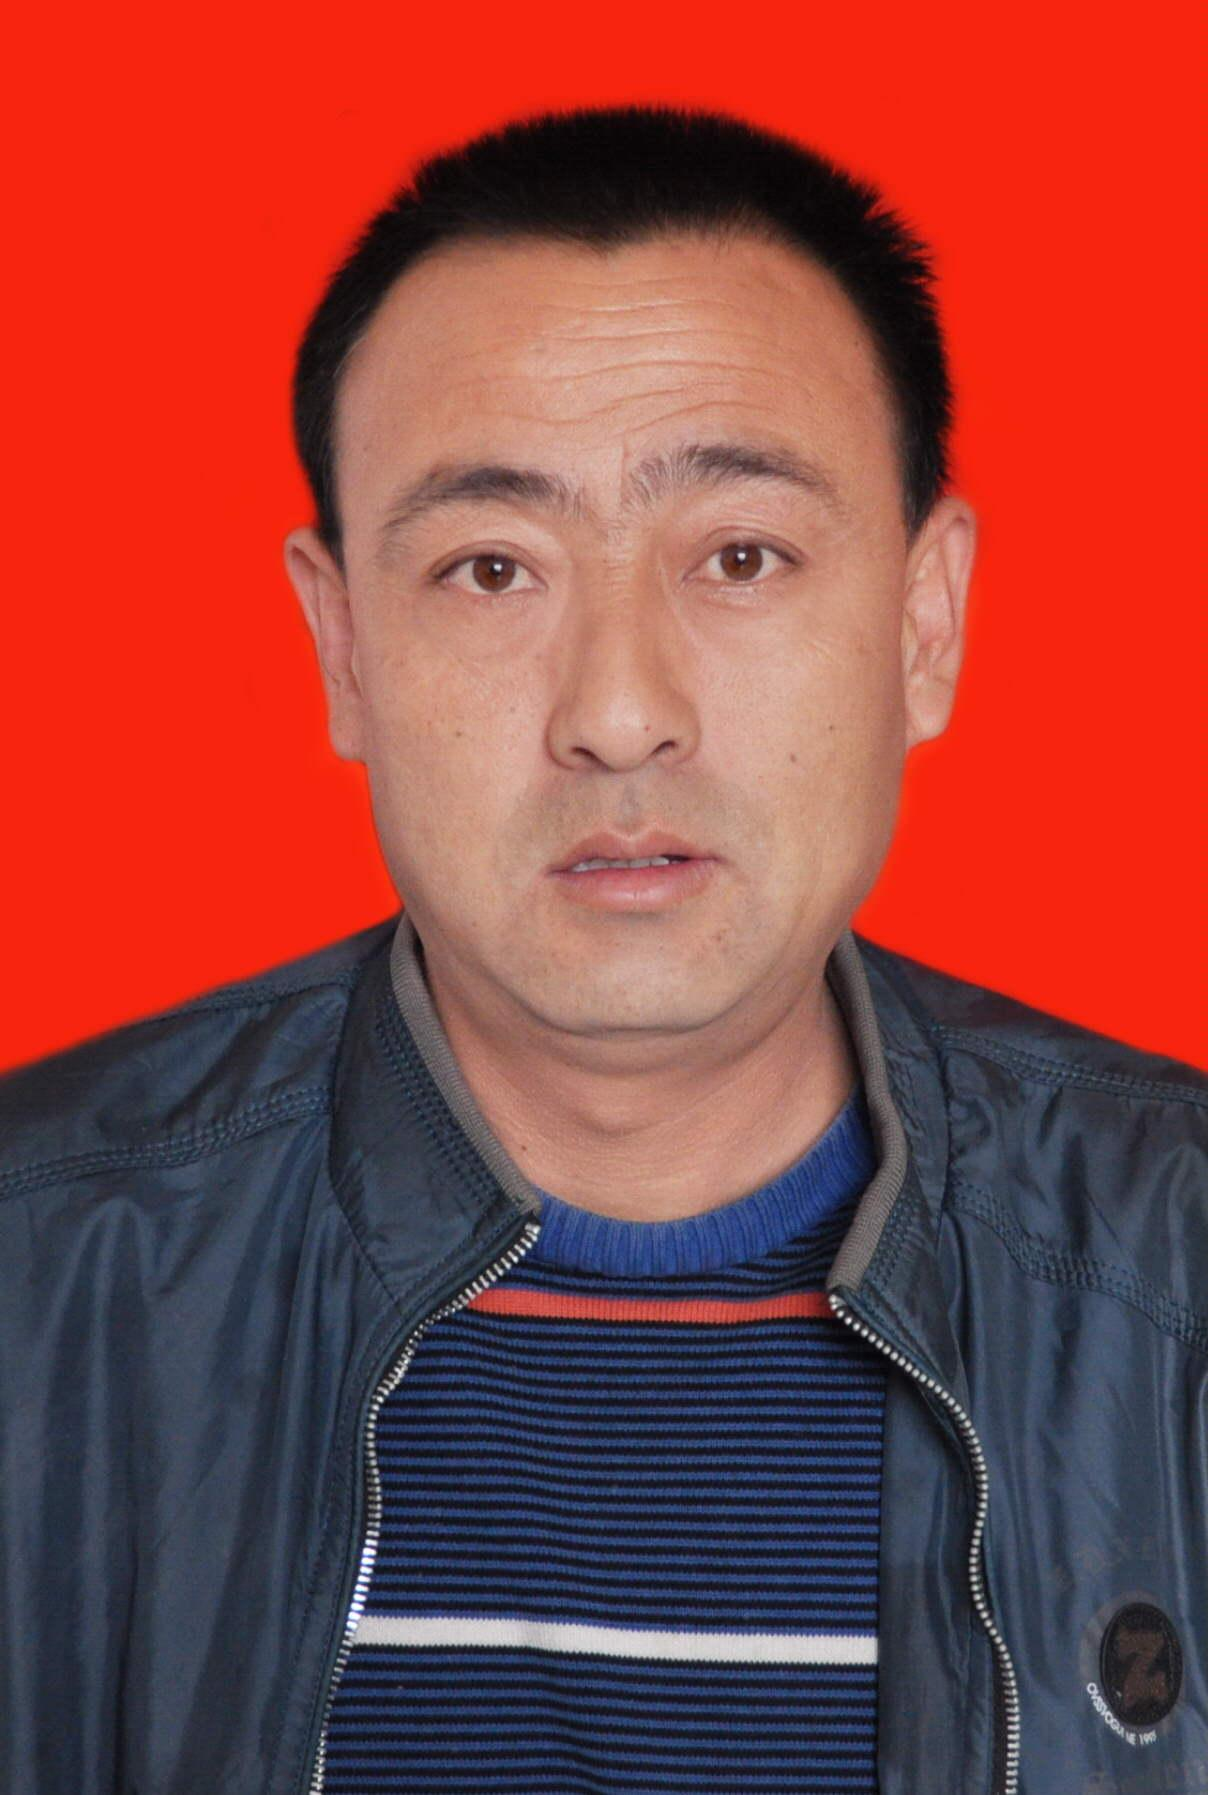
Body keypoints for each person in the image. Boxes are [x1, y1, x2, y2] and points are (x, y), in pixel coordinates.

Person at [0, 105, 1203, 1795]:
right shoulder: (38, 1279)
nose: (620, 711)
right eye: (492, 568)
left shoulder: (1175, 1276)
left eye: (741, 555)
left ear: (924, 621)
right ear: (341, 645)